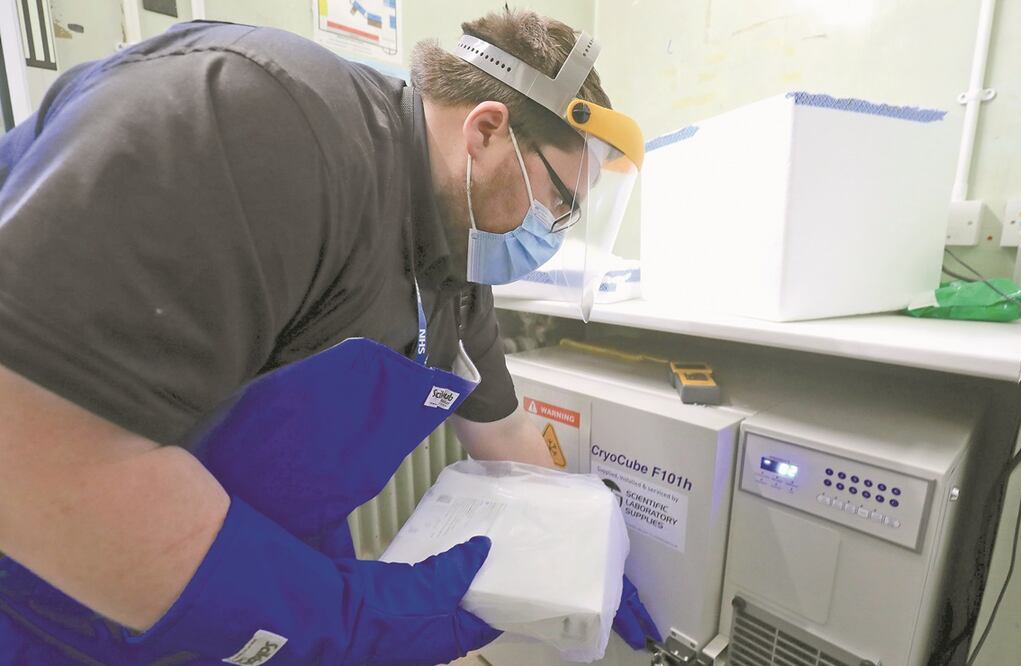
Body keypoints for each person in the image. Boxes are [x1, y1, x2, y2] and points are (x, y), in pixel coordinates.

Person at [0, 8, 657, 665]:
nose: (555, 232)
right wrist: (345, 621)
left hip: (268, 560)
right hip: (66, 598)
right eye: (559, 203)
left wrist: (582, 558)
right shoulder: (257, 118)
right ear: (486, 131)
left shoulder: (456, 268)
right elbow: (31, 447)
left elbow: (506, 437)